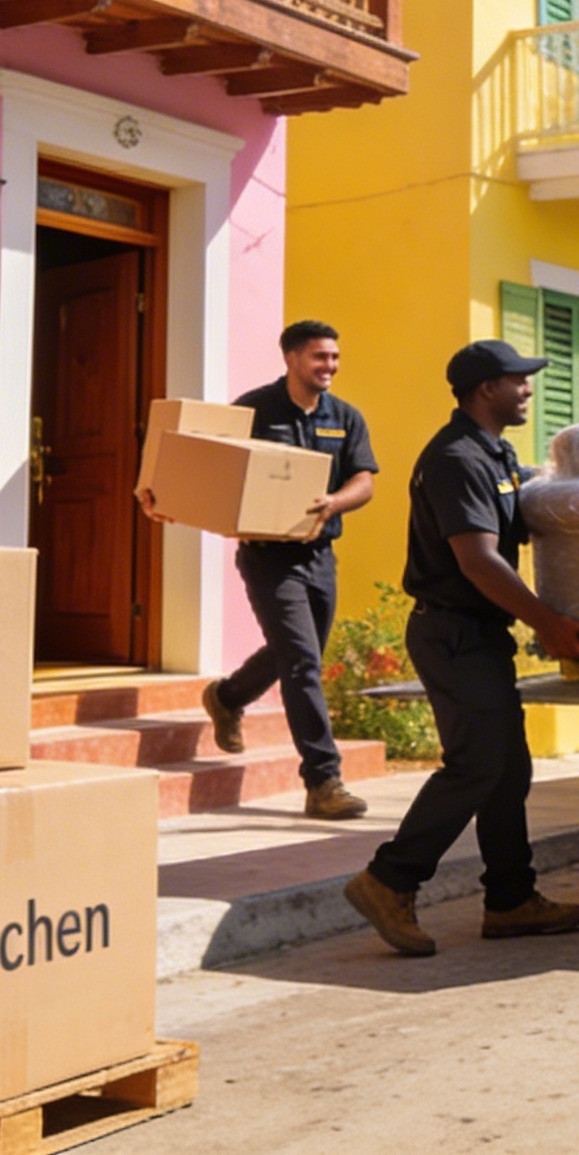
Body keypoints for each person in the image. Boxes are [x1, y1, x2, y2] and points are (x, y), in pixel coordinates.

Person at [344, 340, 579, 957]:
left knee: (508, 770)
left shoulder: (494, 453)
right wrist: (547, 622)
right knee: (477, 764)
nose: (528, 389)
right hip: (453, 632)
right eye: (518, 380)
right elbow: (478, 560)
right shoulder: (457, 458)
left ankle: (511, 900)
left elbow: (525, 510)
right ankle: (389, 880)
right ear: (487, 389)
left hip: (478, 633)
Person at [146, 320, 379, 821]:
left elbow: (364, 480)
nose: (330, 366)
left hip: (319, 554)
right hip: (267, 557)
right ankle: (323, 780)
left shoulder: (345, 417)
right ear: (291, 358)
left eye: (334, 357)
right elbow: (206, 466)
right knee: (302, 662)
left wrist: (335, 502)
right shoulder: (252, 410)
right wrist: (167, 496)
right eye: (320, 357)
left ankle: (227, 696)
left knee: (295, 652)